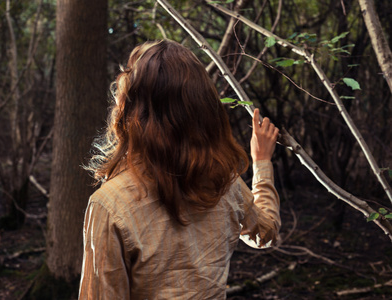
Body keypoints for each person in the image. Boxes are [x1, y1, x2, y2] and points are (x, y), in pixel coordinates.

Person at [79, 39, 280, 299]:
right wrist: (262, 161)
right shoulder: (223, 182)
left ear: (131, 110)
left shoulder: (109, 204)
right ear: (203, 109)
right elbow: (266, 232)